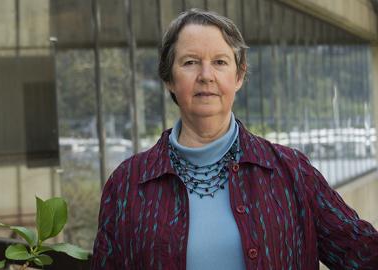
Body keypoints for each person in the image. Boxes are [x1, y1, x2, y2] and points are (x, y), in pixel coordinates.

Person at [91, 8, 378, 270]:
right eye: (190, 62)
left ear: (239, 76)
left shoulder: (292, 171)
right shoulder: (127, 184)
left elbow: (362, 252)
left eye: (220, 62)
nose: (206, 76)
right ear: (169, 78)